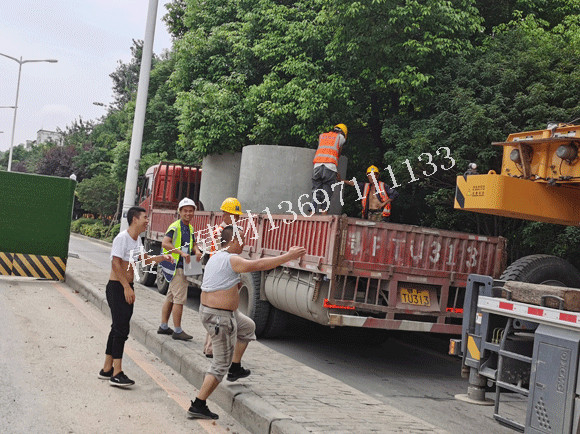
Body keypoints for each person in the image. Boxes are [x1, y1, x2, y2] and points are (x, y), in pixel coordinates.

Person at [187, 226, 306, 419]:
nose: (245, 242)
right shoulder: (231, 259)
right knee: (219, 365)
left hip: (217, 313)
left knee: (248, 326)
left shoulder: (216, 256)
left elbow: (222, 282)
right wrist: (288, 256)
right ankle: (198, 404)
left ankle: (235, 367)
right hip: (219, 317)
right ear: (233, 240)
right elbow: (259, 265)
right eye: (242, 238)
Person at [98, 206, 172, 387]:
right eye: (145, 217)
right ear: (134, 219)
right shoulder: (122, 238)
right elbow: (115, 263)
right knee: (121, 329)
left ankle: (107, 369)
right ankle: (117, 372)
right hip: (117, 287)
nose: (147, 221)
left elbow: (144, 260)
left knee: (117, 327)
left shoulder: (136, 239)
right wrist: (126, 287)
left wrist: (162, 258)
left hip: (126, 287)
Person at [203, 197, 243, 358]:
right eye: (234, 215)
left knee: (216, 316)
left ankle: (208, 347)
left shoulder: (224, 231)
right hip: (220, 276)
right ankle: (211, 349)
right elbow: (227, 256)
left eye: (238, 216)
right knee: (219, 314)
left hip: (217, 273)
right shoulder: (222, 233)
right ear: (225, 214)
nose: (237, 219)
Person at [158, 198, 203, 340]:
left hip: (181, 266)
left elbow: (194, 244)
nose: (188, 213)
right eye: (185, 211)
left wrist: (197, 251)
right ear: (180, 212)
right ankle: (177, 330)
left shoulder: (190, 228)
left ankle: (164, 326)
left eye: (191, 211)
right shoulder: (175, 226)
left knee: (171, 297)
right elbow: (165, 243)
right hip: (177, 266)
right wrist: (181, 253)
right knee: (179, 299)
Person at [311, 123, 348, 214]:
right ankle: (324, 217)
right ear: (343, 133)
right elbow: (338, 152)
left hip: (317, 166)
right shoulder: (340, 137)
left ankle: (311, 214)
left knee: (316, 191)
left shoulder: (322, 136)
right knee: (327, 193)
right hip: (330, 167)